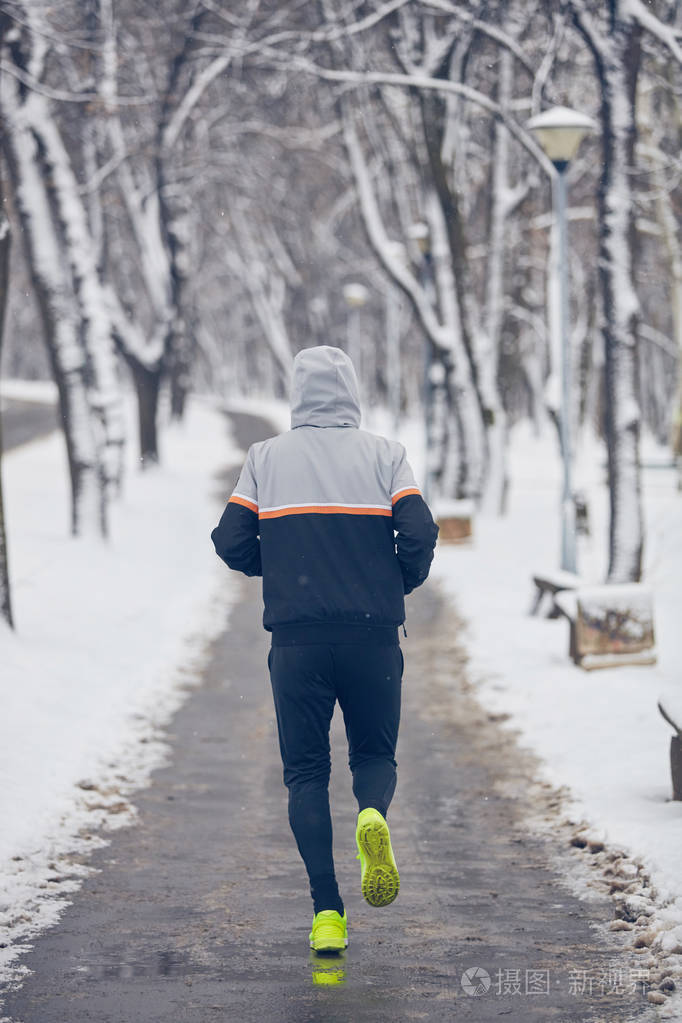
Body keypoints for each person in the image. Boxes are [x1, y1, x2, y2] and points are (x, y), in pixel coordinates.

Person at [211, 345, 438, 953]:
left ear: (297, 394)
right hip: (372, 639)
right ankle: (372, 814)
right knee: (374, 753)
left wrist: (281, 570)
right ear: (352, 393)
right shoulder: (386, 455)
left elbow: (230, 539)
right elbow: (419, 530)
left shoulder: (265, 458)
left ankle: (328, 913)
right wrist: (395, 580)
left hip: (297, 643)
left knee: (306, 773)